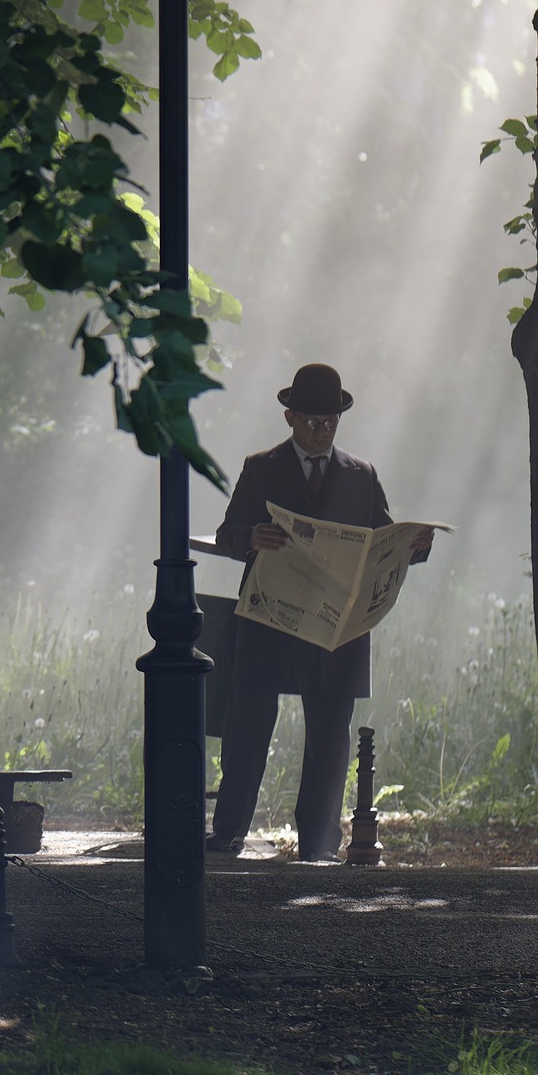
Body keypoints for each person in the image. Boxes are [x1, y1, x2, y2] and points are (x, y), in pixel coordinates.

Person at [207, 363, 434, 863]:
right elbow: (227, 533)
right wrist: (250, 538)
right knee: (248, 720)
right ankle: (228, 832)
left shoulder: (361, 474)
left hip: (335, 625)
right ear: (289, 417)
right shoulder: (261, 466)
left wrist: (415, 545)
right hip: (270, 617)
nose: (320, 430)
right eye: (311, 421)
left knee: (331, 734)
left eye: (329, 421)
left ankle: (319, 841)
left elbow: (383, 539)